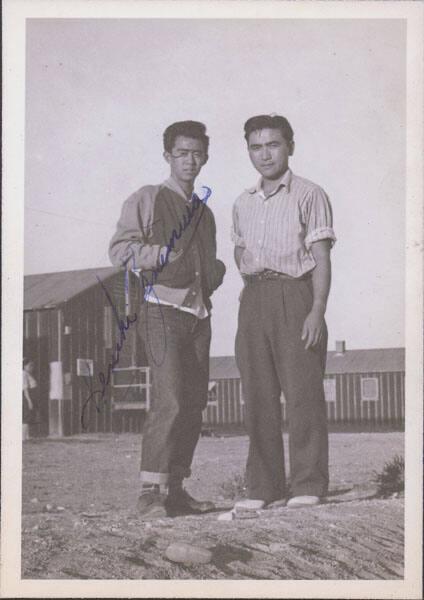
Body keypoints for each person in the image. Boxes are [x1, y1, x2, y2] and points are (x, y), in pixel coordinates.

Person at [109, 121, 225, 518]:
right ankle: (149, 494)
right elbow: (120, 250)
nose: (190, 161)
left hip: (199, 316)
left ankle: (175, 490)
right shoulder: (148, 197)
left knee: (193, 404)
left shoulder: (205, 213)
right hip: (160, 309)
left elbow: (206, 266)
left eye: (197, 153)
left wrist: (216, 272)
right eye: (181, 153)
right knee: (170, 400)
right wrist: (158, 255)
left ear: (205, 157)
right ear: (167, 157)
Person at [232, 114, 336, 509]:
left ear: (290, 146)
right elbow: (239, 251)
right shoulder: (242, 202)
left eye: (273, 145)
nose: (265, 154)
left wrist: (317, 310)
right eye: (256, 147)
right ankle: (263, 486)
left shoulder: (309, 194)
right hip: (254, 299)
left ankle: (308, 484)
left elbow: (321, 259)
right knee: (257, 395)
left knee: (303, 393)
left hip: (296, 296)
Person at [22, 358, 37, 441]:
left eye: (32, 366)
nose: (32, 367)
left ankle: (27, 436)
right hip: (26, 396)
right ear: (24, 366)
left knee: (29, 415)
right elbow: (25, 389)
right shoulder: (23, 374)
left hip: (30, 395)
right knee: (26, 415)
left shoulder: (27, 374)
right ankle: (23, 437)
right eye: (30, 365)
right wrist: (29, 400)